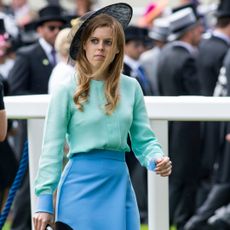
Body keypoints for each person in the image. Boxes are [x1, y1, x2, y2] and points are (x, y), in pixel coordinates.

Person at [33, 3, 172, 230]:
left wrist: (156, 159)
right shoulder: (65, 89)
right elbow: (51, 149)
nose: (101, 48)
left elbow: (143, 139)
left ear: (117, 48)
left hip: (118, 185)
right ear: (84, 45)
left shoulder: (131, 87)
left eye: (108, 42)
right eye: (94, 41)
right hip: (78, 188)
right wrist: (44, 202)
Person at [7, 5, 66, 230]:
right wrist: (47, 101)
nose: (55, 32)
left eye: (60, 28)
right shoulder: (27, 54)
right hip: (32, 127)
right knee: (28, 180)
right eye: (51, 27)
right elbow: (15, 90)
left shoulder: (65, 58)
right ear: (40, 29)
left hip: (56, 126)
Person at [157, 6, 203, 230]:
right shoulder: (187, 59)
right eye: (198, 29)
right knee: (184, 181)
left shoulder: (164, 54)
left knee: (174, 180)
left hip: (169, 128)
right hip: (188, 131)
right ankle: (180, 222)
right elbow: (197, 98)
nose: (201, 33)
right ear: (191, 31)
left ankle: (165, 221)